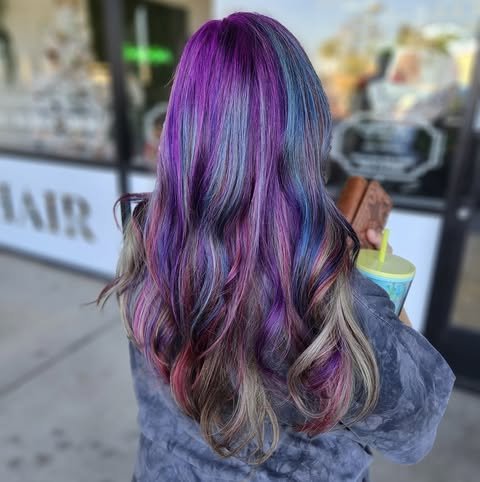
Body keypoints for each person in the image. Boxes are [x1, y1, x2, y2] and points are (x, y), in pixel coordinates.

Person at [98, 13, 455, 482]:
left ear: (184, 126)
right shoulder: (337, 296)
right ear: (306, 129)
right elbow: (413, 430)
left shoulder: (150, 237)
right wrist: (381, 290)